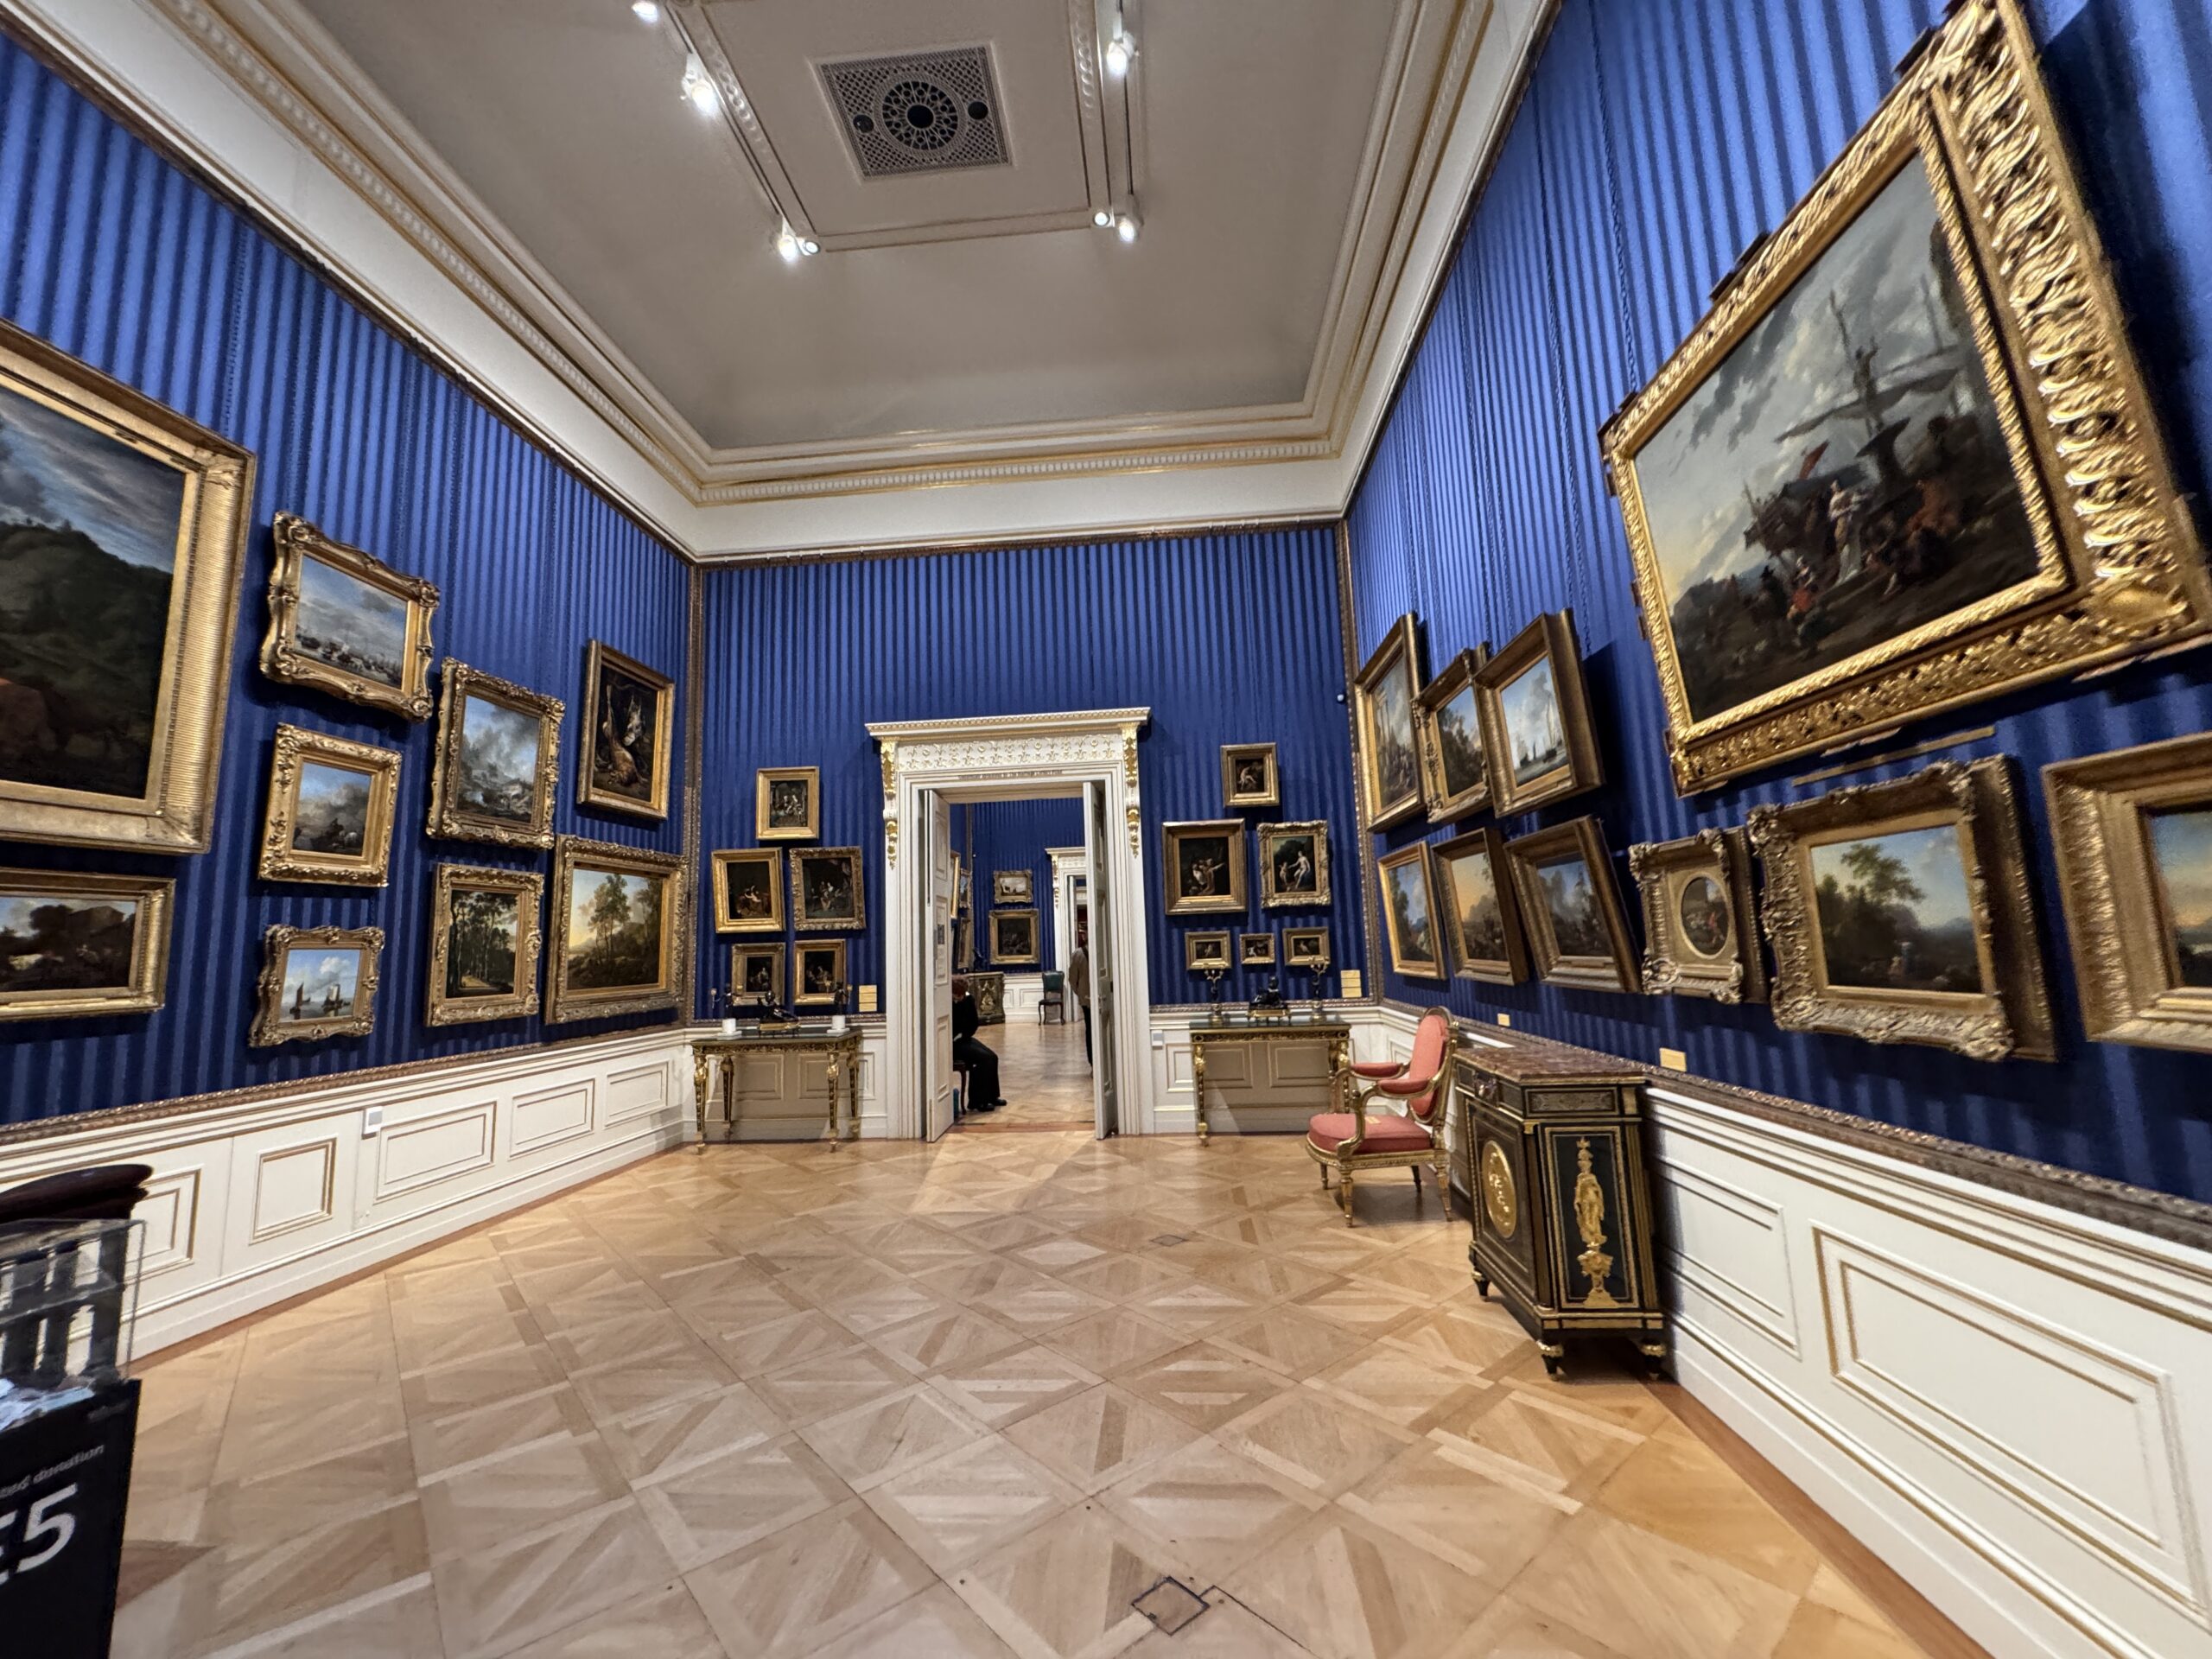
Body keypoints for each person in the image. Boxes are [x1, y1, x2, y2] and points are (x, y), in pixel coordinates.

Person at [951, 976, 1003, 1113]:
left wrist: (964, 1034)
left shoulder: (968, 1000)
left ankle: (992, 1096)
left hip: (964, 1038)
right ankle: (978, 1101)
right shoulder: (947, 1004)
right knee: (983, 1059)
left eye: (961, 995)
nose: (960, 998)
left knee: (993, 1057)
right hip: (953, 1045)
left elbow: (973, 1023)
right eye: (957, 995)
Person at [1067, 929, 1092, 1065]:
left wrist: (1079, 992)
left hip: (1086, 997)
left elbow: (1072, 978)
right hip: (1103, 996)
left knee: (1090, 1030)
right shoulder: (1104, 950)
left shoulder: (1077, 954)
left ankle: (1092, 1062)